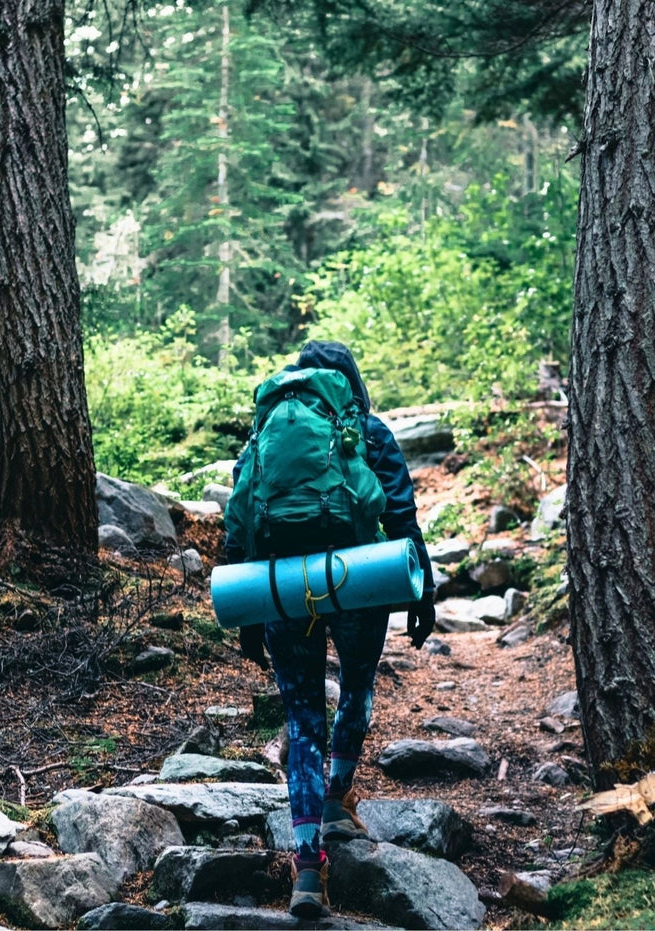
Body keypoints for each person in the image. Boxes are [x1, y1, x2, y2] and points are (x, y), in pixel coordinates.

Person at [223, 340, 437, 919]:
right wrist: (422, 592)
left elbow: (240, 516)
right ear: (352, 381)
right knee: (357, 688)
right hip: (357, 580)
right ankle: (338, 797)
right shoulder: (366, 429)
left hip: (282, 587)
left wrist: (248, 613)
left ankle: (307, 867)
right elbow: (401, 514)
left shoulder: (269, 430)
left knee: (301, 720)